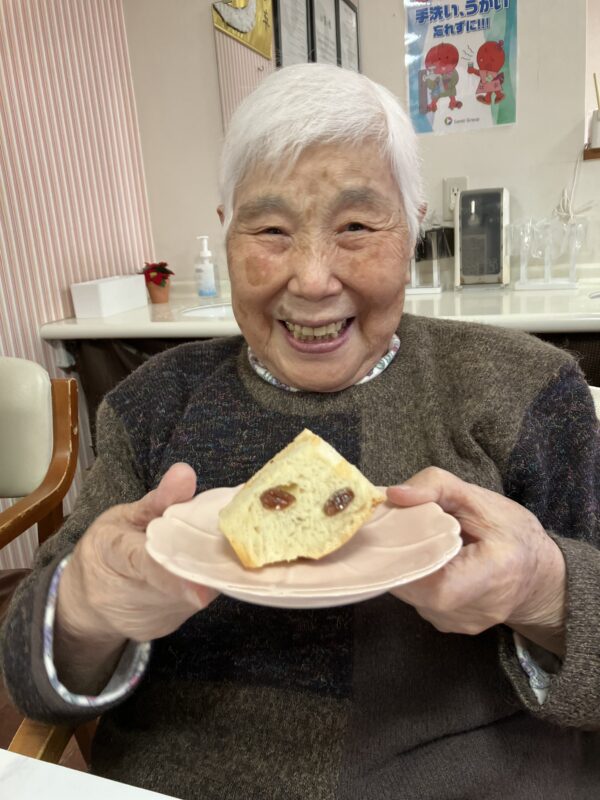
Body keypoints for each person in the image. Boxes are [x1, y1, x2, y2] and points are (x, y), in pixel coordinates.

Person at [1, 63, 599, 799]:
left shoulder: (527, 389)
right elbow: (30, 671)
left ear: (413, 227)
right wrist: (86, 611)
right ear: (226, 232)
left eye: (356, 227)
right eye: (271, 230)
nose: (313, 280)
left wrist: (543, 588)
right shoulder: (151, 405)